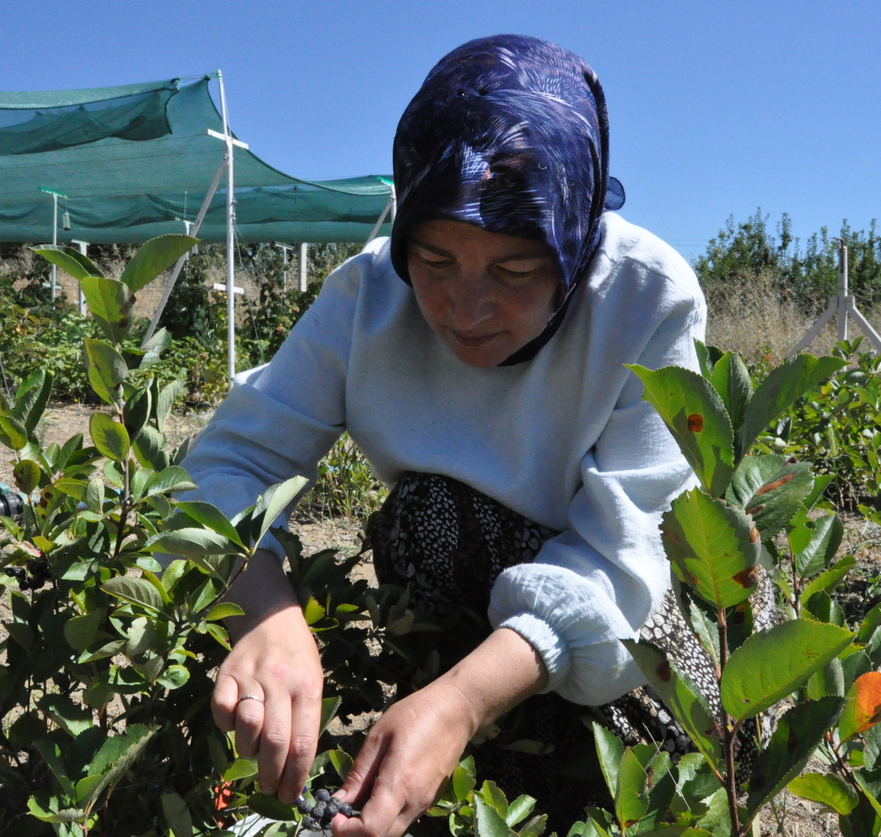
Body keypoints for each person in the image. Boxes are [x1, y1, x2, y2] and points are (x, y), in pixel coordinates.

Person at [180, 34, 707, 837]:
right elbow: (234, 457)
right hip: (483, 592)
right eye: (433, 258)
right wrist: (265, 610)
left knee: (661, 745)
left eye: (513, 271)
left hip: (648, 610)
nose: (464, 308)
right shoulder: (367, 298)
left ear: (571, 240)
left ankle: (588, 789)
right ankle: (483, 771)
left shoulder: (646, 300)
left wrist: (461, 702)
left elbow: (624, 555)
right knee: (425, 512)